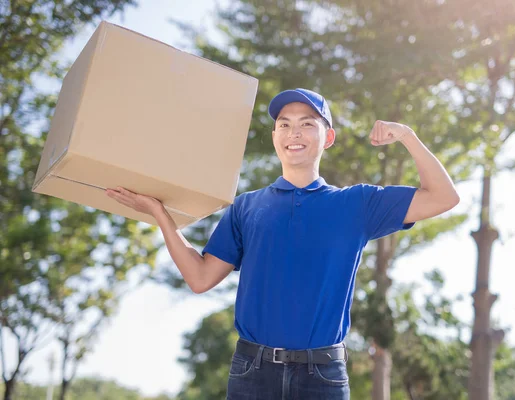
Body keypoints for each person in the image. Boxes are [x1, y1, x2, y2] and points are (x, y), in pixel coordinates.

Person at [106, 88, 459, 399]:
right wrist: (160, 215)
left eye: (307, 123)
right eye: (285, 124)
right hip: (251, 373)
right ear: (275, 135)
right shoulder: (246, 206)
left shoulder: (357, 204)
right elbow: (200, 279)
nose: (295, 132)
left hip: (322, 376)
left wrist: (408, 136)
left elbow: (443, 197)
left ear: (328, 137)